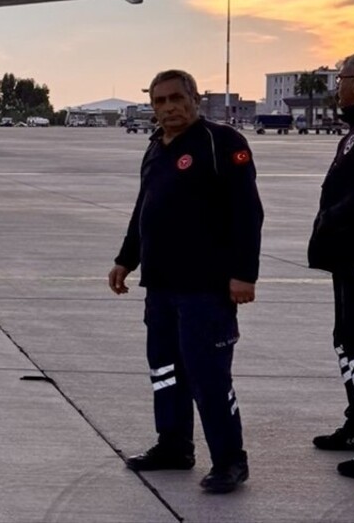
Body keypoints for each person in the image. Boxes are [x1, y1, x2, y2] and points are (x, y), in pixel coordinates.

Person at [108, 68, 263, 495]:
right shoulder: (156, 146)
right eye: (160, 102)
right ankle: (174, 446)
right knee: (165, 371)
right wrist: (126, 259)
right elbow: (145, 209)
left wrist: (243, 274)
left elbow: (247, 213)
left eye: (177, 98)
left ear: (195, 98)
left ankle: (230, 461)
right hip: (160, 287)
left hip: (206, 289)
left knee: (209, 378)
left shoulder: (222, 142)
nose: (169, 108)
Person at [307, 50, 354, 480]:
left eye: (341, 77)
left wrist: (334, 218)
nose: (337, 85)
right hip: (348, 257)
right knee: (348, 341)